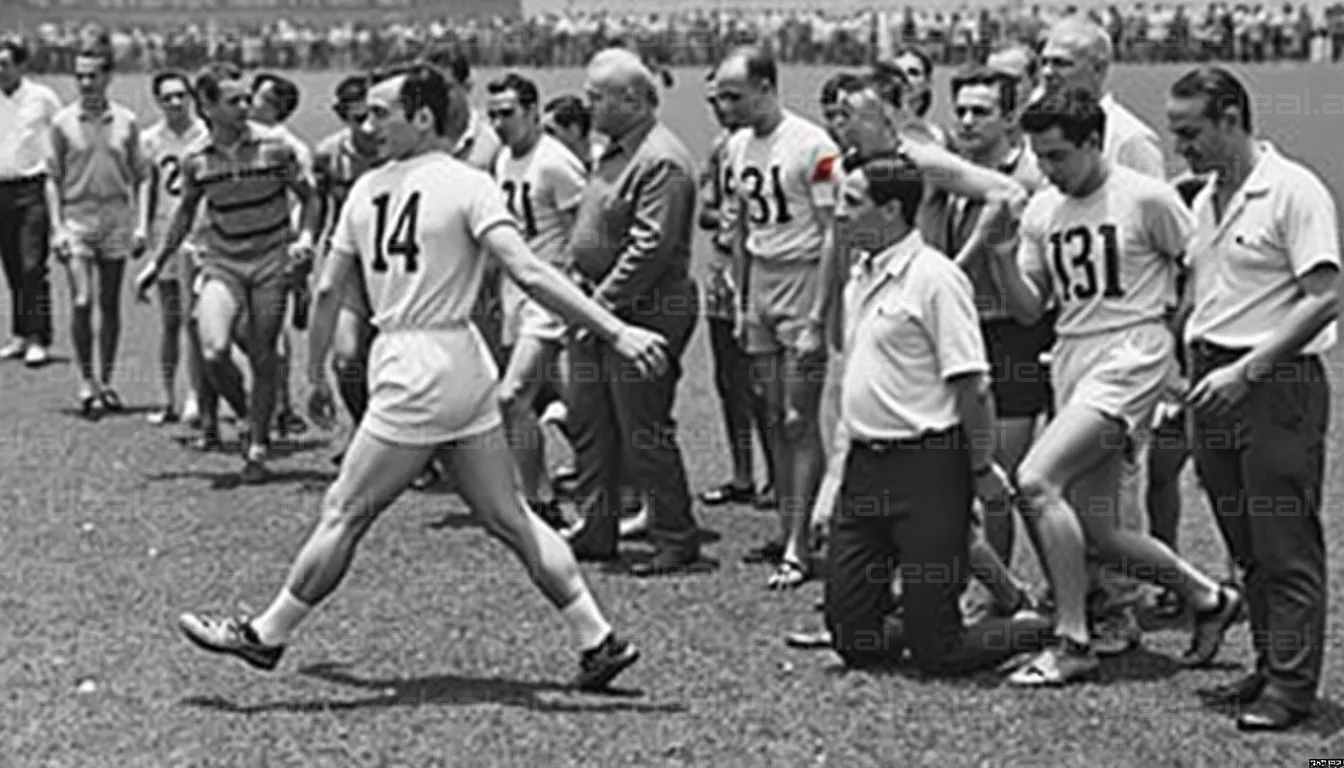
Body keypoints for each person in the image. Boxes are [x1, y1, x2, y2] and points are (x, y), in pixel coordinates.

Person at [176, 63, 663, 692]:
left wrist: (319, 371)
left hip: (412, 367)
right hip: (461, 362)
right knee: (509, 515)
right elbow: (527, 271)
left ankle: (266, 634)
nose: (368, 124)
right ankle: (599, 638)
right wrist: (613, 329)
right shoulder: (467, 184)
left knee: (344, 511)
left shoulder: (372, 190)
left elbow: (330, 291)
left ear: (425, 116)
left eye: (384, 113)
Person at [987, 88, 1242, 686]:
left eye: (1057, 156)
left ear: (1094, 142)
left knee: (1034, 478)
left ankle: (1073, 638)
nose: (1047, 170)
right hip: (1072, 357)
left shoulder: (1145, 198)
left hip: (1130, 354)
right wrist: (1000, 251)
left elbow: (1201, 269)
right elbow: (1029, 309)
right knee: (1099, 531)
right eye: (1039, 156)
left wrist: (1181, 357)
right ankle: (1209, 597)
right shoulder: (1043, 211)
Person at [823, 151, 1049, 674]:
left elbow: (972, 386)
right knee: (854, 639)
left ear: (891, 213)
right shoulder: (860, 274)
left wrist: (980, 469)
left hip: (928, 470)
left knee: (937, 652)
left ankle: (1037, 629)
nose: (839, 213)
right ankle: (928, 620)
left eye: (851, 203)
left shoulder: (936, 279)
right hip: (865, 469)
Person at [1170, 67, 1339, 731]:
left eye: (1191, 132)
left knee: (1284, 541)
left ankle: (1292, 690)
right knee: (1243, 540)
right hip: (1213, 382)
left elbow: (1324, 295)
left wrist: (1249, 370)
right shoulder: (1207, 197)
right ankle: (1271, 665)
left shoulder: (1293, 191)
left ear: (1232, 117)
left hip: (1274, 385)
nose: (1181, 145)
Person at [134, 61, 321, 484]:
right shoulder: (196, 160)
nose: (244, 107)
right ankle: (251, 412)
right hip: (225, 263)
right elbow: (183, 216)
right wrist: (155, 265)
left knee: (263, 351)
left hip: (272, 261)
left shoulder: (275, 148)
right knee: (212, 346)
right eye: (233, 101)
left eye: (245, 99)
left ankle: (256, 446)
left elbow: (310, 198)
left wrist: (306, 238)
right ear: (208, 107)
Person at [562, 48, 701, 575]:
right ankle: (597, 526)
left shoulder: (660, 159)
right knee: (591, 421)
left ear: (633, 99)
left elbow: (650, 249)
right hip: (605, 306)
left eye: (597, 95)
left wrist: (596, 309)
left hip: (647, 310)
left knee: (642, 427)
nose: (587, 103)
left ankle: (674, 535)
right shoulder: (615, 150)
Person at [714, 46, 840, 589]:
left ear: (767, 87)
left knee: (798, 417)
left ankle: (800, 540)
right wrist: (743, 301)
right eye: (721, 96)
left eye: (734, 96)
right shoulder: (737, 146)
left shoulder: (812, 144)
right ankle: (793, 525)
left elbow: (835, 229)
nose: (725, 106)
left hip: (803, 273)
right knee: (770, 413)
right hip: (762, 280)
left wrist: (819, 314)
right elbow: (740, 228)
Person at [486, 72, 587, 527]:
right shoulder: (504, 159)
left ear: (531, 110)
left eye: (507, 113)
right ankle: (618, 485)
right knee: (571, 402)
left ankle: (539, 503)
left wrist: (580, 297)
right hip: (518, 295)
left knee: (512, 398)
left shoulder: (555, 164)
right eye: (492, 115)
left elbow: (586, 235)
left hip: (552, 298)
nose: (499, 123)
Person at [46, 35, 147, 418]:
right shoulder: (62, 123)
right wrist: (56, 228)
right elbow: (51, 178)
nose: (85, 83)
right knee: (82, 300)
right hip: (77, 217)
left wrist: (139, 225)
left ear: (108, 78)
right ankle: (86, 381)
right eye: (79, 77)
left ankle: (106, 381)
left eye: (91, 76)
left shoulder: (127, 121)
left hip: (116, 217)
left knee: (109, 303)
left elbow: (141, 175)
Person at [698, 68, 775, 512]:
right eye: (713, 101)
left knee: (765, 382)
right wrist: (724, 217)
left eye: (728, 98)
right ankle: (742, 473)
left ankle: (777, 476)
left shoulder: (769, 144)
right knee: (729, 379)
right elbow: (705, 210)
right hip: (724, 267)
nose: (720, 109)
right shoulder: (719, 150)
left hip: (763, 269)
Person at [313, 74, 380, 463]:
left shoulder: (398, 152)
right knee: (347, 357)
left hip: (394, 268)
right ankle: (363, 428)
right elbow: (317, 211)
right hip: (349, 268)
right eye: (357, 118)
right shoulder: (329, 154)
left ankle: (405, 444)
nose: (367, 127)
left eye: (373, 115)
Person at [137, 69, 207, 427]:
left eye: (181, 95)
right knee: (170, 321)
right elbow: (147, 187)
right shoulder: (150, 139)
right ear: (158, 101)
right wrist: (141, 229)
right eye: (168, 97)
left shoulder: (206, 136)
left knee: (196, 321)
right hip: (165, 234)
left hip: (201, 238)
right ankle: (167, 397)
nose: (176, 103)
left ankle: (197, 394)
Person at [250, 71, 311, 439]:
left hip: (275, 247)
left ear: (273, 107)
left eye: (255, 97)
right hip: (238, 246)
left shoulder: (290, 148)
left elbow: (306, 202)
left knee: (273, 333)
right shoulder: (240, 142)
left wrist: (298, 248)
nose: (247, 102)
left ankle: (281, 404)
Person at [0, 36, 60, 368]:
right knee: (11, 266)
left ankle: (39, 337)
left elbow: (62, 133)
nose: (0, 70)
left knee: (32, 265)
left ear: (21, 66)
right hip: (0, 189)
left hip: (32, 189)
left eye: (5, 63)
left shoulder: (41, 98)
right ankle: (20, 334)